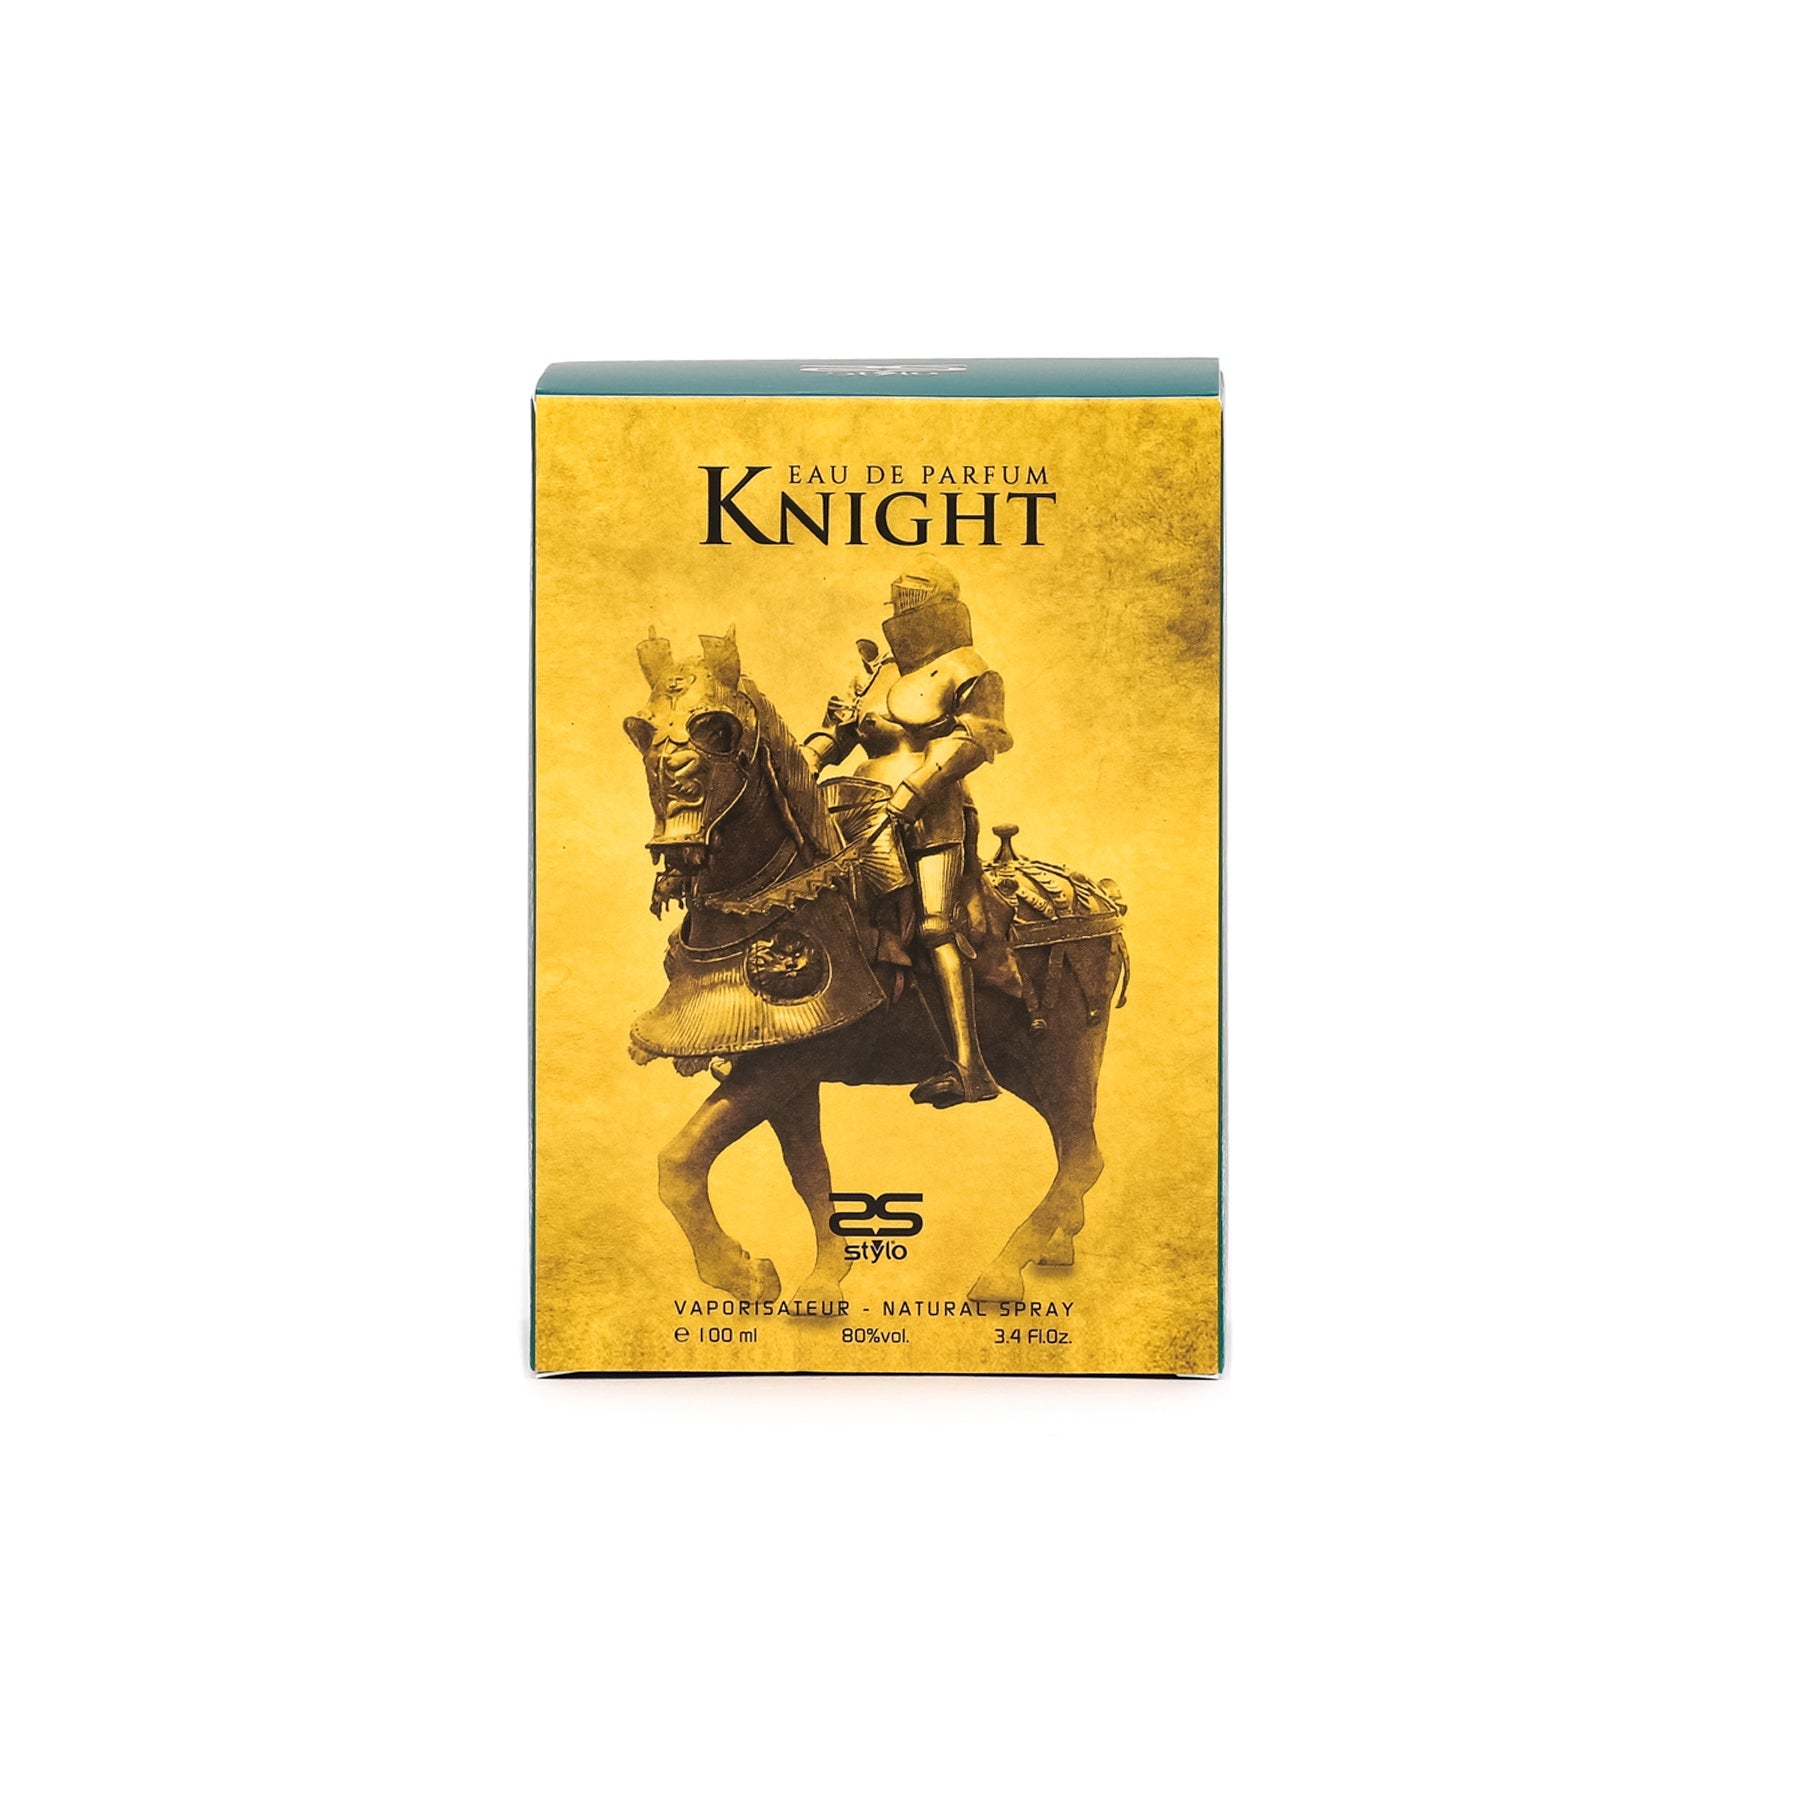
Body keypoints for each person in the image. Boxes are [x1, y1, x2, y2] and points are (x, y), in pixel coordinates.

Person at [802, 556, 1011, 1106]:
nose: (901, 605)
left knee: (936, 925)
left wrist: (915, 791)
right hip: (856, 808)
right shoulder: (877, 672)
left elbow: (975, 739)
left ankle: (970, 1067)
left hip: (933, 812)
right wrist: (800, 765)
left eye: (911, 595)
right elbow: (838, 734)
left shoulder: (970, 669)